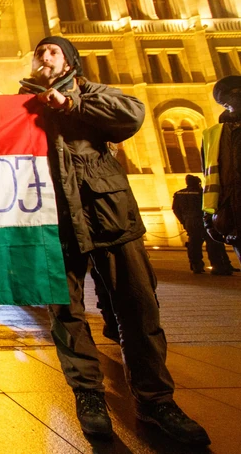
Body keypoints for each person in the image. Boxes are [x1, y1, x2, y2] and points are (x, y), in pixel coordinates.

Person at [19, 36, 209, 445]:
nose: (44, 57)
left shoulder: (92, 93)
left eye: (53, 51)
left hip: (110, 215)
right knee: (68, 318)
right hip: (53, 224)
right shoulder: (17, 107)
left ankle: (156, 401)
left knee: (138, 308)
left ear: (69, 61)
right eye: (39, 53)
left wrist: (71, 105)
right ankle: (89, 397)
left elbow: (132, 115)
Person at [202, 75, 241, 270]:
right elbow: (209, 179)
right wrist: (209, 218)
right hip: (233, 216)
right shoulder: (213, 135)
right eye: (232, 95)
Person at [173, 174, 233, 275]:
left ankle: (196, 266)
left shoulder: (178, 194)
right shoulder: (202, 193)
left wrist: (183, 221)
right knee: (212, 243)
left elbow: (175, 209)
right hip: (202, 221)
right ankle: (217, 266)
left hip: (190, 222)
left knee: (194, 244)